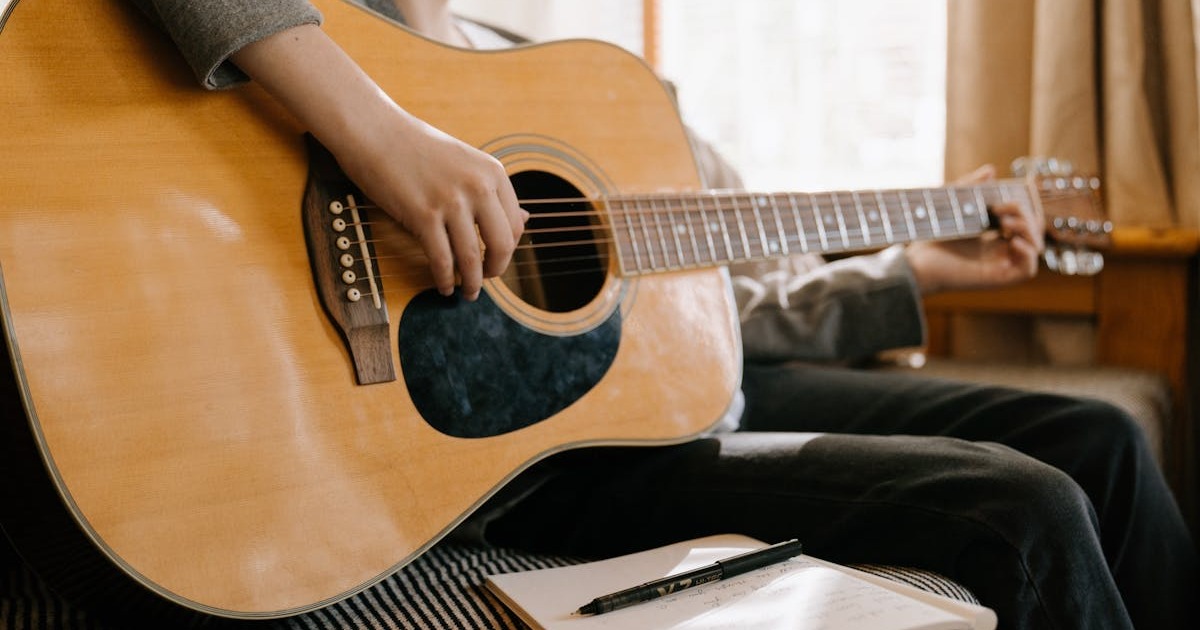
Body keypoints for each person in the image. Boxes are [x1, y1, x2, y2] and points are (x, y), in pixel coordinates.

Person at [122, 1, 1198, 628]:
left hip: (684, 394)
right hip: (546, 454)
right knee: (1025, 507)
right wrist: (379, 140)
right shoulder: (302, 61)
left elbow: (719, 322)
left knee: (1097, 440)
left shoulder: (588, 84)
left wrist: (920, 270)